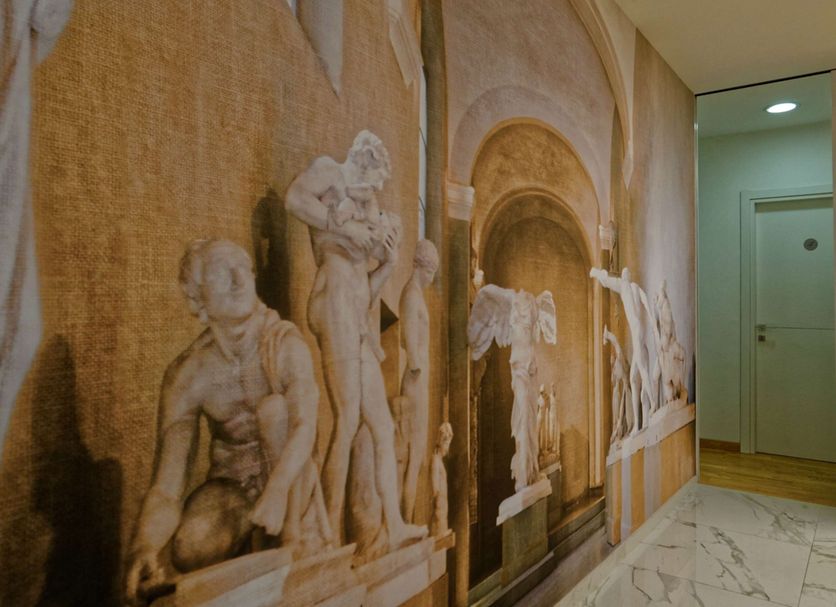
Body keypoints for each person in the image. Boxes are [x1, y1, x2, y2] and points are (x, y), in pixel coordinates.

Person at [124, 240, 329, 605]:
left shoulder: (283, 342)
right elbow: (167, 487)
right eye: (221, 270)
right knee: (189, 546)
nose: (238, 279)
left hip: (292, 486)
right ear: (198, 298)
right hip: (235, 488)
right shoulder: (189, 373)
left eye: (242, 268)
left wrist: (277, 491)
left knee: (274, 411)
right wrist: (145, 546)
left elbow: (305, 427)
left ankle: (294, 542)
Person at [285, 130, 427, 548]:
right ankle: (327, 531)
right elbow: (294, 200)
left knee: (381, 426)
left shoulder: (365, 203)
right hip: (332, 301)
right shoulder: (329, 172)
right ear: (361, 160)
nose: (372, 193)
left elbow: (368, 285)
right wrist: (347, 229)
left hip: (356, 311)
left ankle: (394, 524)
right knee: (347, 418)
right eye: (371, 181)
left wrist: (389, 261)